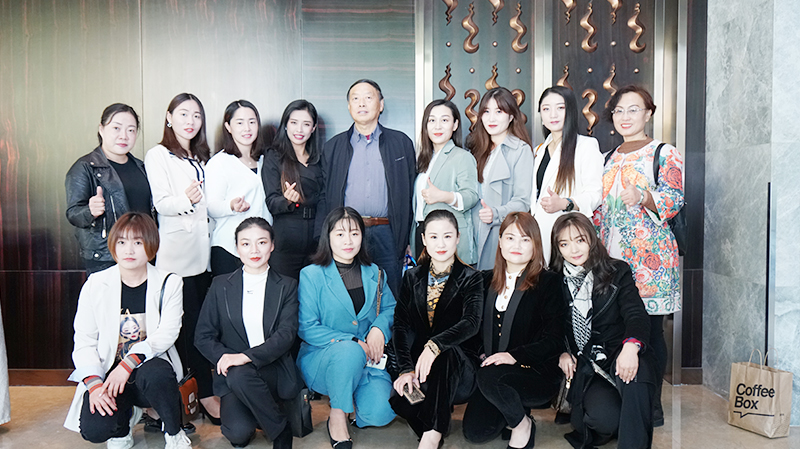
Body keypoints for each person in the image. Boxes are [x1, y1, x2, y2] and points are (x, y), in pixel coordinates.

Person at [594, 85, 684, 426]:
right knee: (621, 326)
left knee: (650, 331)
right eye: (619, 110)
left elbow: (674, 199)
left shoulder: (664, 153)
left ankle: (652, 404)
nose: (625, 116)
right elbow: (599, 207)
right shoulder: (607, 157)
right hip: (611, 257)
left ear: (648, 113)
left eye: (633, 109)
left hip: (651, 260)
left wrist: (644, 197)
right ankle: (625, 396)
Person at [63, 212, 192, 449]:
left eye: (138, 243)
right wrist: (94, 384)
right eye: (122, 242)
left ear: (151, 245)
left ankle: (174, 432)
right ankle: (122, 428)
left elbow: (167, 332)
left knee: (156, 373)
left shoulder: (169, 282)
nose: (128, 250)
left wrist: (128, 363)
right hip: (109, 376)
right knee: (95, 430)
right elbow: (84, 340)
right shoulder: (95, 284)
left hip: (150, 370)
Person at [462, 212, 567, 448]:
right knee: (476, 432)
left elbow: (554, 339)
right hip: (492, 374)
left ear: (535, 245)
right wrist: (481, 353)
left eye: (525, 239)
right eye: (510, 238)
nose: (516, 246)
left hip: (534, 373)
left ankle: (522, 425)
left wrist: (514, 356)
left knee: (489, 377)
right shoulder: (483, 280)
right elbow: (471, 330)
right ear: (500, 242)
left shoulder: (548, 282)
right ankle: (513, 411)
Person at [144, 93, 219, 423]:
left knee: (203, 328)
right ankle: (200, 395)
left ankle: (201, 392)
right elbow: (161, 203)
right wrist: (186, 199)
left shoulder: (202, 156)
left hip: (204, 257)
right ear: (169, 117)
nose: (191, 121)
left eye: (197, 115)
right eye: (184, 114)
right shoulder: (158, 155)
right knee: (186, 331)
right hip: (177, 259)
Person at [552, 212, 656, 449]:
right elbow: (551, 326)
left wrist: (631, 347)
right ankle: (622, 413)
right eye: (564, 244)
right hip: (589, 364)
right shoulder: (554, 279)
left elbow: (635, 313)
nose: (573, 250)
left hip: (619, 350)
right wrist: (563, 352)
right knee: (604, 420)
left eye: (580, 240)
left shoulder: (617, 270)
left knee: (636, 374)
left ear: (592, 238)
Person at [195, 218, 299, 449]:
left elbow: (286, 335)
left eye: (262, 242)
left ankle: (279, 432)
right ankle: (277, 422)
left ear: (272, 245)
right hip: (233, 373)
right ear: (236, 248)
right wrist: (226, 357)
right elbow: (203, 335)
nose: (254, 250)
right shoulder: (220, 285)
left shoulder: (287, 285)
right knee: (238, 434)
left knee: (239, 373)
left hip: (273, 369)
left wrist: (244, 357)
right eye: (246, 244)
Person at [297, 207, 396, 449]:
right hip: (323, 358)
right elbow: (306, 327)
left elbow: (390, 309)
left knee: (381, 412)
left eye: (354, 233)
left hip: (368, 361)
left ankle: (348, 397)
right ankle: (338, 415)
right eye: (340, 234)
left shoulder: (375, 273)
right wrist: (351, 341)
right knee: (349, 351)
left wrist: (379, 329)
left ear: (362, 237)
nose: (348, 241)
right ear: (328, 237)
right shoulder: (311, 275)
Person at [391, 210, 483, 449]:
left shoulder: (472, 278)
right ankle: (435, 424)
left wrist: (435, 346)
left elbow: (471, 322)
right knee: (402, 400)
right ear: (423, 239)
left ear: (458, 237)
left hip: (460, 370)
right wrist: (405, 369)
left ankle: (431, 437)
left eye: (447, 236)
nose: (441, 244)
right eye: (433, 237)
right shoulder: (412, 277)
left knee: (445, 353)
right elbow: (400, 325)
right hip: (421, 369)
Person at [316, 79, 416, 296]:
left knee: (391, 293)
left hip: (388, 232)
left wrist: (408, 238)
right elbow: (324, 195)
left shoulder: (401, 143)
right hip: (348, 232)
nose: (362, 103)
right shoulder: (333, 147)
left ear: (381, 104)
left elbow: (410, 194)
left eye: (368, 98)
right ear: (349, 106)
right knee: (352, 294)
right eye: (356, 98)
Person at [66, 103, 152, 274]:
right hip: (106, 257)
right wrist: (90, 211)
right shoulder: (85, 167)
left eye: (131, 130)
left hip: (143, 253)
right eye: (116, 128)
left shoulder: (142, 167)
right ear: (101, 129)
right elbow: (73, 214)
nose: (124, 136)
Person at [532, 86, 603, 264]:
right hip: (540, 235)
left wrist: (565, 203)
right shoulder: (538, 151)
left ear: (570, 111)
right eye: (546, 109)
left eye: (560, 108)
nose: (553, 114)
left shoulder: (586, 146)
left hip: (570, 237)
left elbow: (595, 195)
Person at [467, 87, 534, 270]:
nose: (491, 118)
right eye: (486, 111)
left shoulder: (520, 150)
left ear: (511, 116)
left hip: (499, 233)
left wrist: (495, 213)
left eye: (499, 111)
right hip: (471, 234)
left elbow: (523, 202)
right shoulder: (475, 149)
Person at [205, 100, 272, 277]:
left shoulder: (265, 160)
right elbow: (211, 207)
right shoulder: (219, 163)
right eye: (240, 123)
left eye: (252, 122)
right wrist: (231, 206)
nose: (247, 128)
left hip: (261, 249)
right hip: (229, 248)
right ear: (228, 126)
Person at [410, 100, 479, 265]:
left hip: (448, 238)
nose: (437, 126)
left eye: (444, 120)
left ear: (455, 125)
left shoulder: (462, 157)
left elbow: (471, 196)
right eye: (432, 120)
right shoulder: (423, 159)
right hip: (423, 235)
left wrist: (443, 196)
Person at [263, 100, 324, 280]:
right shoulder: (275, 156)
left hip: (316, 238)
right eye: (294, 122)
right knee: (285, 291)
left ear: (313, 128)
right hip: (286, 238)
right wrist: (287, 200)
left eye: (306, 124)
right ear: (286, 125)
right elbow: (271, 202)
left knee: (312, 292)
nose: (299, 129)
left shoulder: (319, 159)